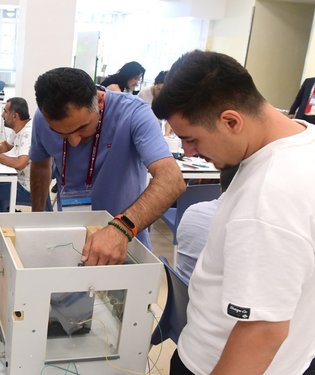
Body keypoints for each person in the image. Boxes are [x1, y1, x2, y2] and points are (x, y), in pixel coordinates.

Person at [152, 50, 315, 375]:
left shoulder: (269, 194)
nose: (187, 151)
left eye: (190, 138)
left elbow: (262, 332)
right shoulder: (300, 141)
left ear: (231, 121)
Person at [30, 67, 186, 265]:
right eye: (61, 133)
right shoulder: (43, 118)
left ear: (100, 101)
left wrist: (121, 228)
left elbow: (172, 180)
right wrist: (36, 220)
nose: (74, 142)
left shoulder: (134, 113)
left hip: (125, 238)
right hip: (71, 237)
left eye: (81, 129)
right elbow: (41, 166)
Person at [0, 97, 51, 213]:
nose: (2, 115)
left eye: (5, 111)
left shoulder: (28, 133)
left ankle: (7, 221)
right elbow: (7, 144)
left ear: (15, 116)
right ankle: (10, 213)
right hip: (18, 179)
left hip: (28, 187)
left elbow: (20, 164)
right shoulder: (19, 128)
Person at [175, 165, 239, 284]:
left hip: (182, 296)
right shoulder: (243, 228)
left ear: (220, 187)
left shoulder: (192, 212)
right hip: (211, 300)